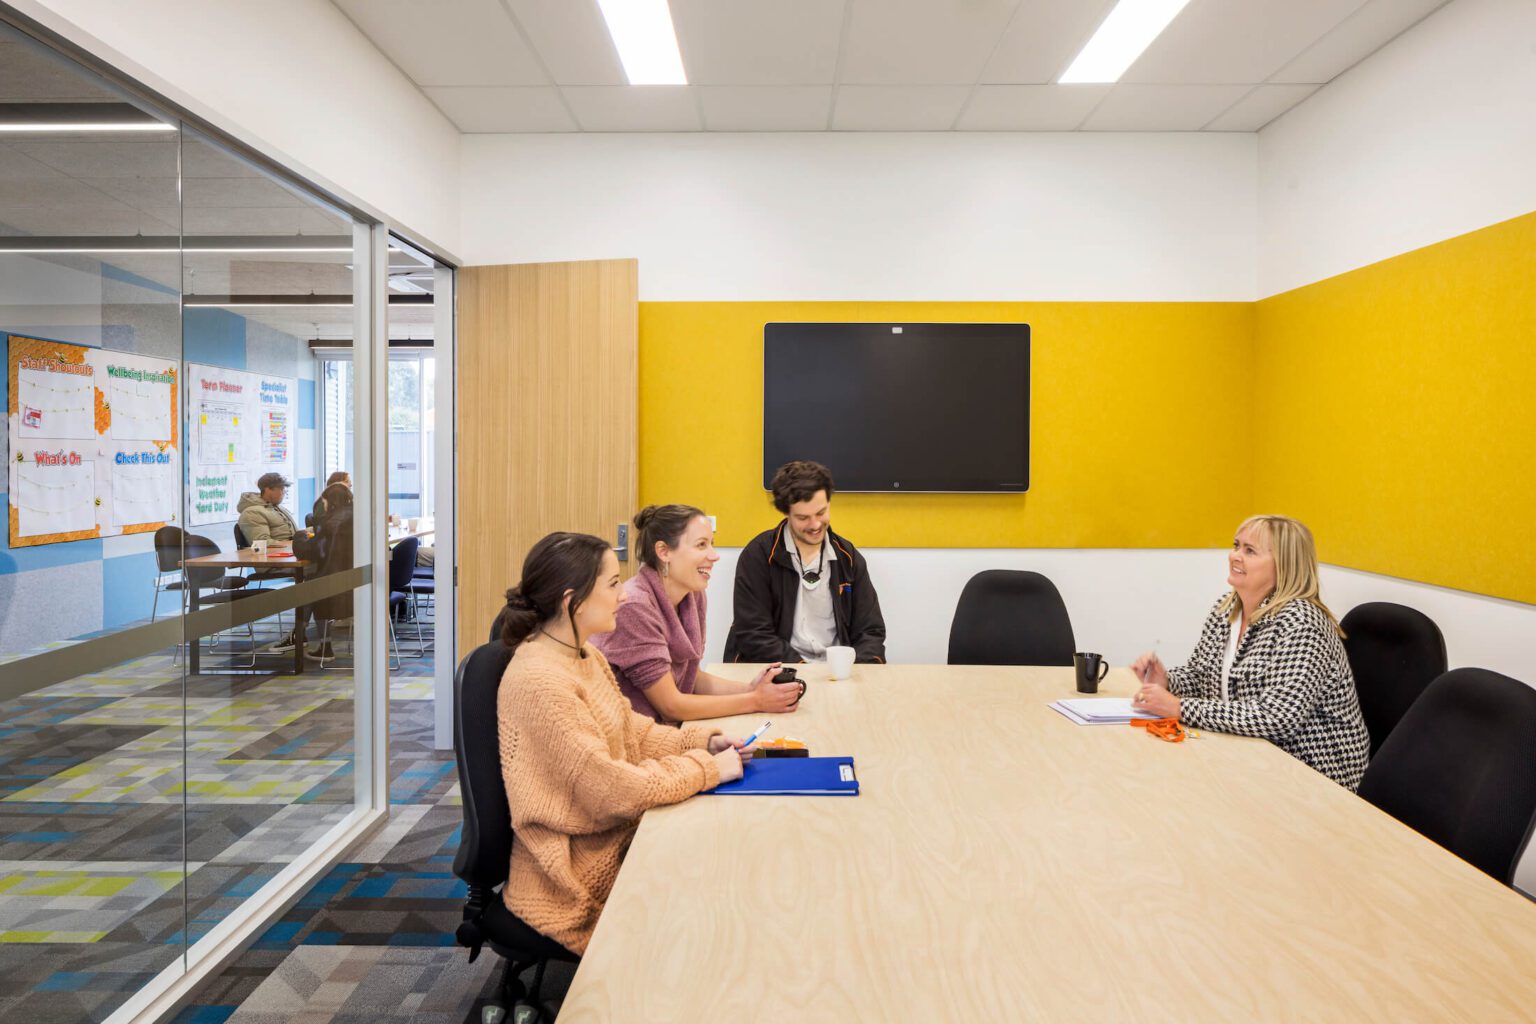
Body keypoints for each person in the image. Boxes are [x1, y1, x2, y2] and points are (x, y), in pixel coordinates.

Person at [497, 531, 754, 954]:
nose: (623, 595)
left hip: (611, 834)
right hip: (572, 869)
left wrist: (703, 741)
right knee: (715, 900)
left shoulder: (583, 655)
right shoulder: (540, 681)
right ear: (572, 601)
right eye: (613, 584)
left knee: (727, 861)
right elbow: (613, 789)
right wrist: (705, 770)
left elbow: (633, 732)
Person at [1130, 514, 1371, 790]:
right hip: (1247, 759)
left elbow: (1277, 718)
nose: (1235, 556)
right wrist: (1169, 682)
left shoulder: (1302, 623)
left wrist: (1178, 707)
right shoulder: (1226, 609)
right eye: (1236, 546)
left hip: (1310, 776)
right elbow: (1202, 675)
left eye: (1250, 551)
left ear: (1283, 565)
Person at [594, 505, 803, 723]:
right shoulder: (635, 607)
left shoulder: (693, 595)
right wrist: (755, 701)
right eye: (701, 545)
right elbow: (671, 706)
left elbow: (691, 678)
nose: (714, 556)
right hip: (631, 740)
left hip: (667, 731)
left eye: (711, 544)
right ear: (664, 552)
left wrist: (751, 689)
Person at [725, 460, 886, 665]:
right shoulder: (759, 556)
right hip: (779, 668)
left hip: (835, 671)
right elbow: (753, 634)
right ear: (786, 513)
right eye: (803, 518)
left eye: (821, 513)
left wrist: (855, 670)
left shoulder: (848, 557)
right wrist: (802, 670)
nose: (815, 525)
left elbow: (870, 631)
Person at [294, 482, 354, 660]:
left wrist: (299, 537)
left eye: (325, 502)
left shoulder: (332, 522)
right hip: (353, 578)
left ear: (330, 502)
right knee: (312, 588)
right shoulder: (356, 515)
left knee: (312, 592)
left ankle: (301, 635)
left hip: (334, 581)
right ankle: (302, 635)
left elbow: (310, 551)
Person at [237, 471, 297, 543]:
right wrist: (293, 544)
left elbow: (295, 534)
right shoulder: (252, 513)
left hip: (289, 550)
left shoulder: (277, 507)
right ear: (268, 490)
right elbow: (262, 542)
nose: (284, 492)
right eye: (281, 489)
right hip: (277, 552)